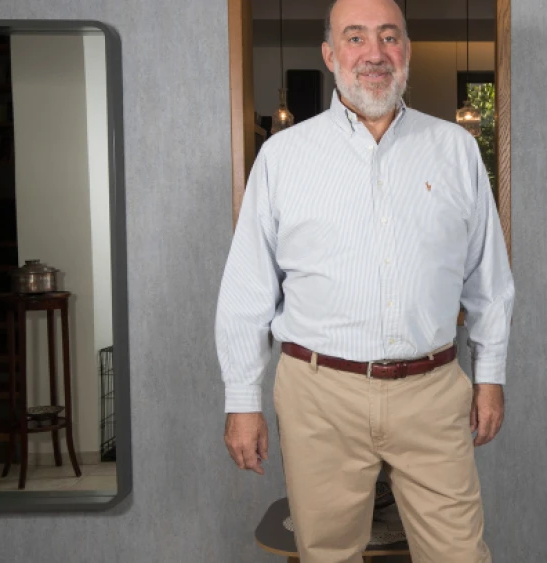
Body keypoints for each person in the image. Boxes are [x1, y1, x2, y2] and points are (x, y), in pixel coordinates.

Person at [215, 0, 513, 560]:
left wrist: (490, 373)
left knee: (460, 554)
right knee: (326, 555)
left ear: (407, 51)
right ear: (330, 55)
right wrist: (242, 399)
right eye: (355, 38)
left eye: (388, 37)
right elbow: (248, 289)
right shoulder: (283, 156)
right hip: (318, 393)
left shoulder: (457, 150)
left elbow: (489, 281)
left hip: (432, 391)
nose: (374, 54)